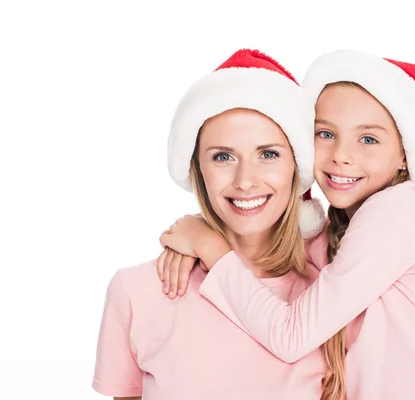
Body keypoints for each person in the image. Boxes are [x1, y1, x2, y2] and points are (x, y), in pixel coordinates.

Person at [158, 50, 415, 399]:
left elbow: (291, 337)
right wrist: (206, 231)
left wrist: (211, 247)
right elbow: (265, 247)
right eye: (325, 134)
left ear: (405, 155)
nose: (340, 155)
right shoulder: (343, 231)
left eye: (368, 139)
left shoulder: (398, 212)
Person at [92, 49, 336, 400]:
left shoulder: (335, 292)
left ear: (297, 167)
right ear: (198, 170)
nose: (245, 181)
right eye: (223, 157)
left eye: (268, 154)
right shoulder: (138, 292)